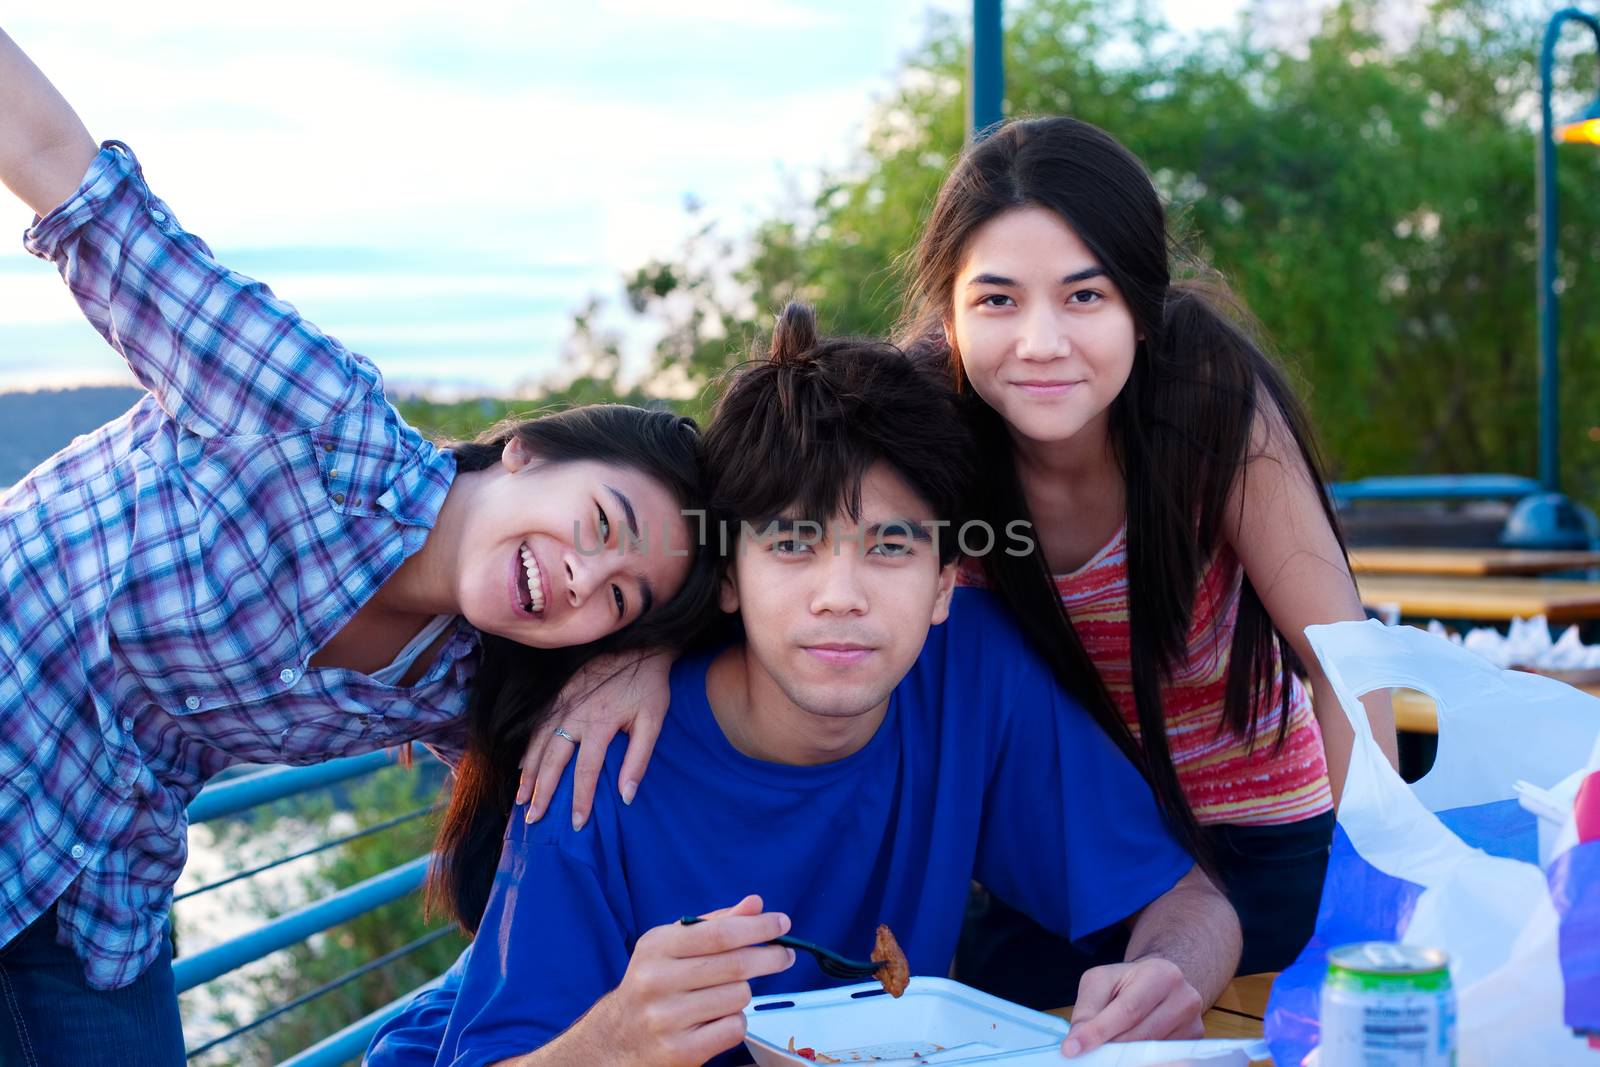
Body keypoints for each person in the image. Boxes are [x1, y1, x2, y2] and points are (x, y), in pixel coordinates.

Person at [0, 29, 717, 1064]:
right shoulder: (314, 416)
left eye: (619, 596)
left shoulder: (473, 673)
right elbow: (73, 182)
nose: (583, 576)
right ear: (526, 449)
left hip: (96, 892)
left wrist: (648, 655)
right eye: (600, 525)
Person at [366, 304, 1242, 1067]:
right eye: (792, 542)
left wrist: (1167, 978)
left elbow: (1187, 900)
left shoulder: (970, 673)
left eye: (892, 546)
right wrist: (615, 1043)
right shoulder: (595, 760)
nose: (840, 595)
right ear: (729, 576)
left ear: (945, 583)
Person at [894, 115, 1399, 996]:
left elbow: (1346, 667)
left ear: (1141, 305)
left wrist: (1366, 916)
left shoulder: (1208, 407)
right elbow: (746, 545)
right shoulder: (919, 426)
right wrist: (635, 661)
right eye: (997, 299)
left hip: (1257, 847)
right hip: (1054, 866)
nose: (1041, 341)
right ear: (948, 313)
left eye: (1085, 296)